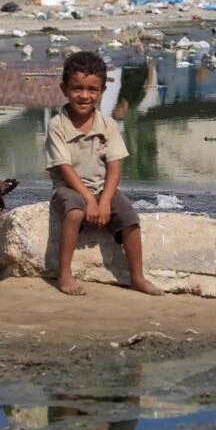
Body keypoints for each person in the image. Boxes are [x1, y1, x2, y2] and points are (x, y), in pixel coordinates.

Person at [44, 50, 162, 297]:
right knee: (75, 212)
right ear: (64, 89)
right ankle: (64, 274)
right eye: (77, 89)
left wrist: (105, 200)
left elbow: (115, 165)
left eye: (91, 90)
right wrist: (88, 199)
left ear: (102, 92)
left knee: (129, 217)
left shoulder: (107, 124)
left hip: (101, 187)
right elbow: (64, 168)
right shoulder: (57, 125)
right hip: (68, 188)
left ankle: (137, 277)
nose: (84, 96)